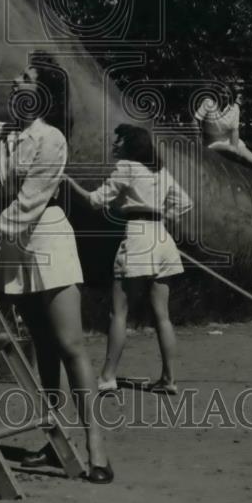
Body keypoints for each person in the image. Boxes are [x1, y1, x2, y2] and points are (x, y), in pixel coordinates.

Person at [0, 52, 113, 483]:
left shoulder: (51, 140)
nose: (13, 81)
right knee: (41, 346)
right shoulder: (5, 134)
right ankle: (54, 437)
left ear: (41, 94)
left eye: (24, 77)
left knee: (70, 344)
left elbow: (30, 203)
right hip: (15, 249)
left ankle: (96, 445)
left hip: (47, 240)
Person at [65, 125, 192, 395]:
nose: (114, 144)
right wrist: (160, 214)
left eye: (118, 140)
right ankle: (169, 380)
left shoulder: (126, 167)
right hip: (162, 238)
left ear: (130, 144)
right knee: (163, 316)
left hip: (137, 237)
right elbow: (185, 203)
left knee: (119, 313)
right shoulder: (160, 171)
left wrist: (67, 181)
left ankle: (108, 377)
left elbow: (94, 201)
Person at [193, 80, 252, 177]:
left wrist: (235, 149)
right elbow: (196, 120)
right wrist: (198, 142)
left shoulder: (234, 108)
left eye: (226, 93)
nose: (224, 95)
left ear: (231, 95)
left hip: (230, 141)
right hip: (212, 143)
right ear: (216, 93)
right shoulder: (208, 103)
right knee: (232, 152)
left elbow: (235, 131)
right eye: (221, 92)